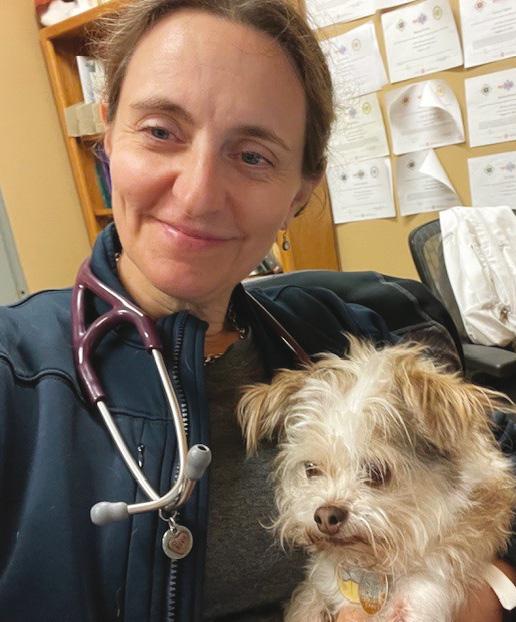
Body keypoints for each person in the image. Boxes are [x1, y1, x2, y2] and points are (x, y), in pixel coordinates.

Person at [0, 1, 514, 621]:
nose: (197, 194)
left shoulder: (353, 332)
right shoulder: (14, 379)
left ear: (302, 190)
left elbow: (494, 471)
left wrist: (484, 596)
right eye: (161, 130)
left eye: (252, 155)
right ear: (107, 134)